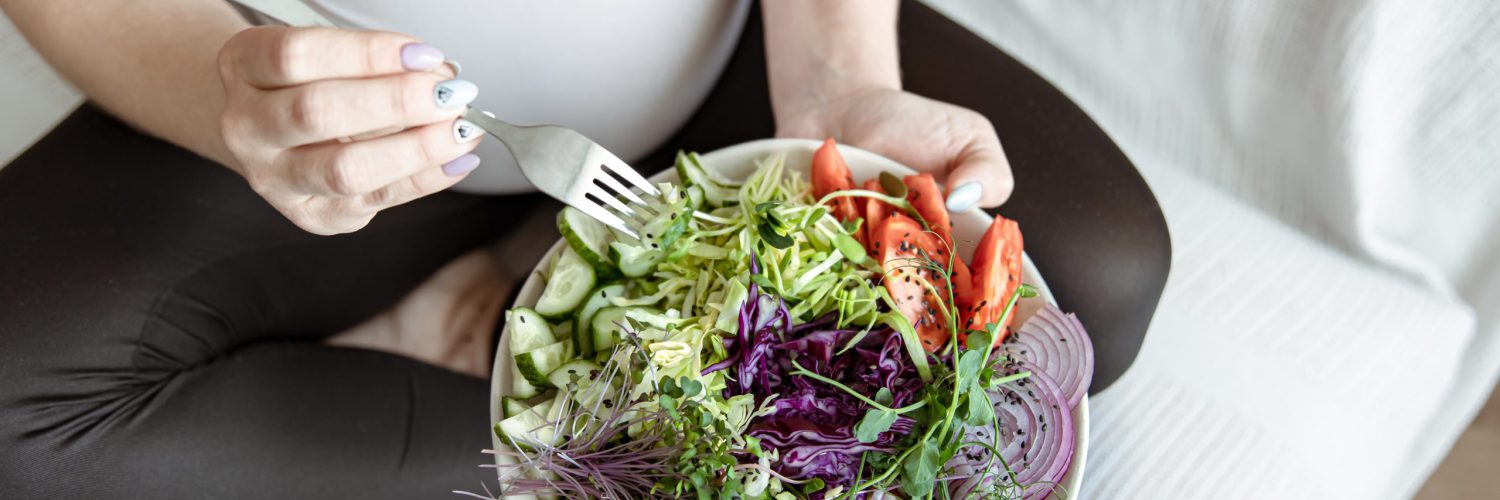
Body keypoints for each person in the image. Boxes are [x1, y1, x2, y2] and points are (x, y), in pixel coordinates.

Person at [0, 1, 1028, 497]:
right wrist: (228, 99)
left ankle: (544, 380)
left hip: (738, 57)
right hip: (360, 117)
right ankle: (510, 353)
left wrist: (835, 83)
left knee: (1100, 284)